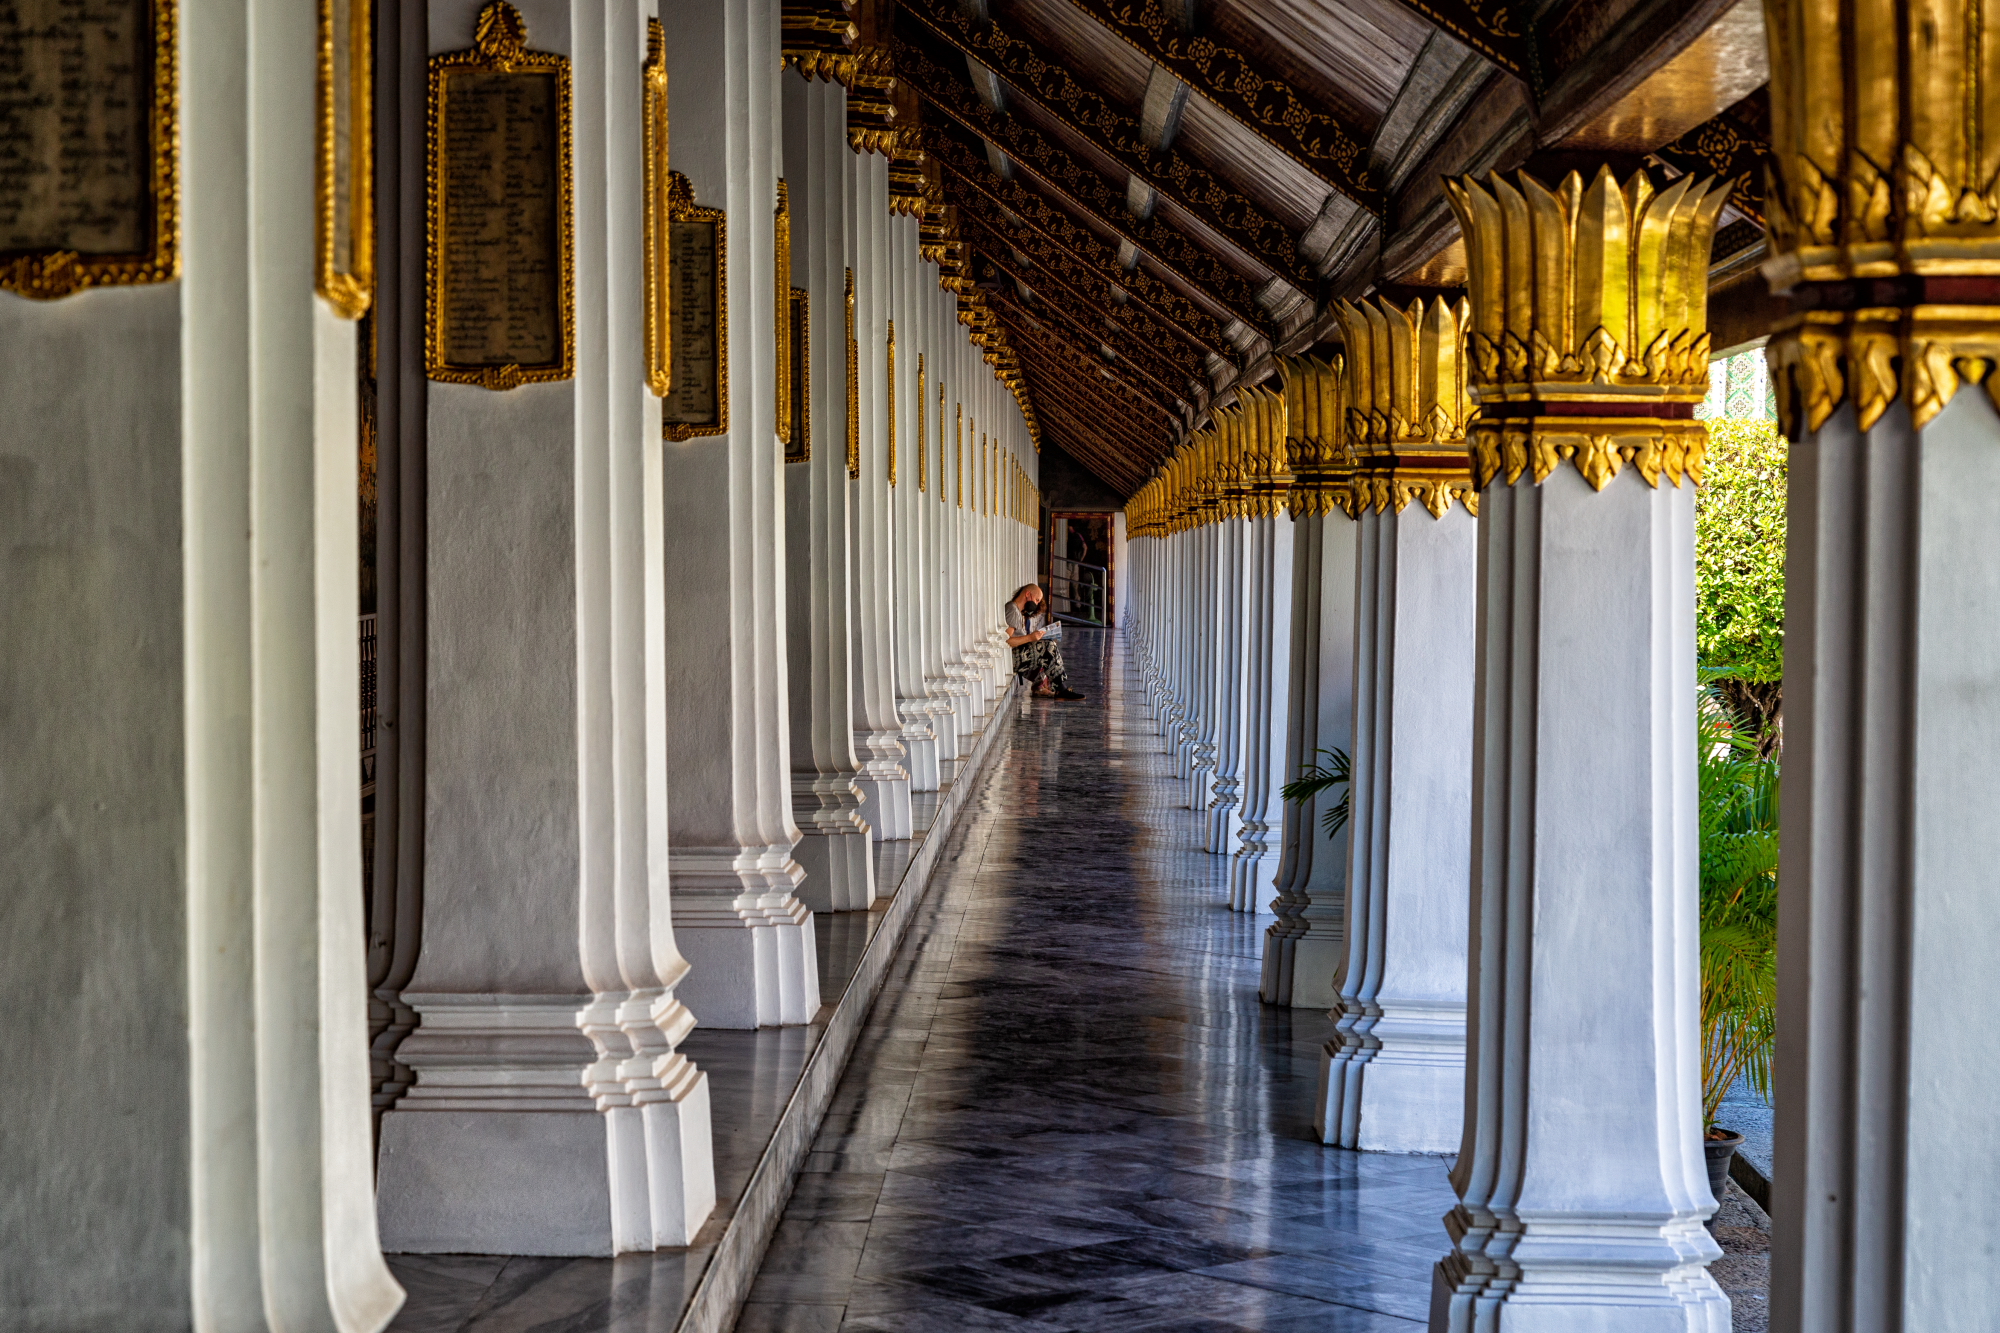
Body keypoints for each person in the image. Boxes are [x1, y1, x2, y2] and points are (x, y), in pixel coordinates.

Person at [1005, 584, 1085, 700]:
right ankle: (1061, 689)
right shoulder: (1012, 610)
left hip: (1017, 656)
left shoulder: (1019, 611)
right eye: (1037, 600)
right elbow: (1006, 641)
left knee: (1046, 646)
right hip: (1011, 658)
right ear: (1028, 594)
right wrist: (1030, 638)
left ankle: (1046, 687)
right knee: (1048, 646)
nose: (1037, 604)